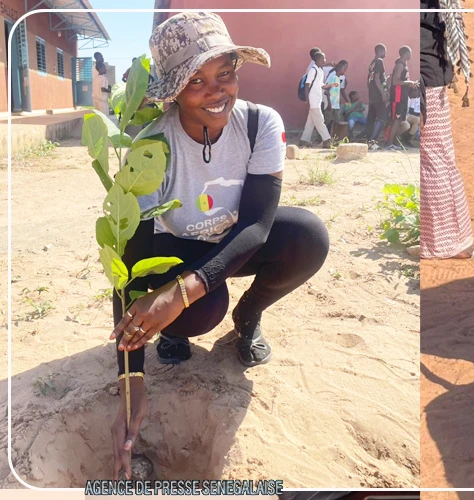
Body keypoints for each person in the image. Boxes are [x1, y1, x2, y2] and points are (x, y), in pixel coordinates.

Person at [110, 12, 329, 480]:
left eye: (224, 73)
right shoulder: (151, 148)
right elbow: (127, 266)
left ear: (237, 72)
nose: (216, 91)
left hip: (239, 243)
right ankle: (174, 330)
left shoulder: (259, 124)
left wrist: (183, 291)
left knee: (309, 237)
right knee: (199, 312)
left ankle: (248, 317)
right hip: (178, 251)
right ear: (173, 91)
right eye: (196, 80)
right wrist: (132, 379)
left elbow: (255, 225)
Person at [420, 0, 474, 260]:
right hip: (425, 77)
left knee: (429, 159)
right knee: (437, 161)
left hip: (425, 73)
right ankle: (449, 243)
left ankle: (429, 240)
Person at [388, 47, 420, 151]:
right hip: (397, 97)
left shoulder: (404, 66)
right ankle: (389, 143)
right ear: (405, 53)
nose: (411, 54)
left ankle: (395, 143)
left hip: (402, 96)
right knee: (396, 120)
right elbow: (395, 82)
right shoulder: (399, 65)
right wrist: (409, 83)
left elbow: (403, 82)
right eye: (410, 52)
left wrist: (411, 84)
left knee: (400, 121)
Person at [300, 51, 334, 147]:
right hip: (313, 101)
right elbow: (307, 85)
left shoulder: (320, 71)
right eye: (323, 58)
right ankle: (327, 140)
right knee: (320, 120)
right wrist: (307, 101)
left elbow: (320, 85)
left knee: (310, 122)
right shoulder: (313, 70)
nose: (325, 60)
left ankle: (304, 140)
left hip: (317, 100)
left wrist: (329, 86)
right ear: (318, 59)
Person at [367, 43, 389, 145]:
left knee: (371, 117)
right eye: (385, 51)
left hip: (372, 94)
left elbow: (369, 80)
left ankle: (368, 139)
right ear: (380, 51)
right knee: (382, 117)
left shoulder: (372, 63)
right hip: (377, 95)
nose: (385, 53)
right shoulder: (379, 61)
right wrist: (383, 94)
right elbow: (376, 79)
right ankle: (372, 140)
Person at [325, 60, 348, 138]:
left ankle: (335, 138)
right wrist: (329, 103)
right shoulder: (333, 77)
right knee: (328, 122)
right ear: (340, 68)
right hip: (330, 104)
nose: (345, 70)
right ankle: (326, 138)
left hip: (336, 105)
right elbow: (326, 91)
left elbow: (339, 91)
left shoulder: (339, 78)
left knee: (337, 122)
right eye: (345, 68)